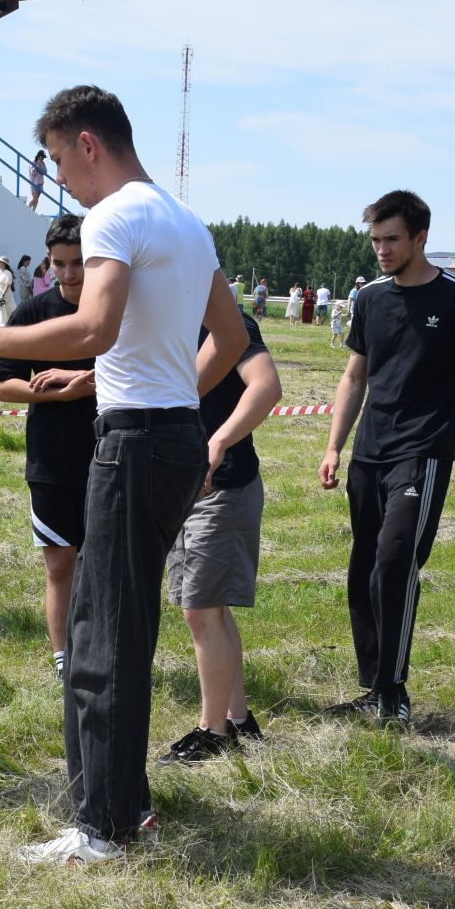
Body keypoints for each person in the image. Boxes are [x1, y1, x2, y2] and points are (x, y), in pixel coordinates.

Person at [0, 84, 247, 865]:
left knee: (99, 633)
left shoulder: (113, 215)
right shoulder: (186, 220)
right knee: (119, 627)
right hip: (173, 436)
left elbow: (96, 325)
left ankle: (101, 826)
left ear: (88, 145)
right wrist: (171, 392)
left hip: (136, 444)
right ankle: (125, 804)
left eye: (57, 161)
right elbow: (232, 340)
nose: (59, 181)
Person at [320, 190, 455, 729]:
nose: (381, 249)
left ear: (421, 237)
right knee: (363, 569)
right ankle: (373, 685)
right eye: (375, 240)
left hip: (422, 454)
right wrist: (334, 445)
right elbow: (355, 376)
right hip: (368, 455)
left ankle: (394, 695)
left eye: (391, 239)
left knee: (396, 561)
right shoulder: (370, 298)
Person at [161, 305, 282, 762]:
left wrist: (220, 439)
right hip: (183, 487)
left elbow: (267, 387)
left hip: (222, 486)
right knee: (208, 610)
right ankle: (237, 718)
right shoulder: (161, 318)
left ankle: (212, 733)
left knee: (201, 610)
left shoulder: (226, 322)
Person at [0, 215, 95, 678]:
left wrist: (76, 385)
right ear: (48, 262)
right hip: (51, 459)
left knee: (102, 564)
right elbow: (2, 387)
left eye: (79, 263)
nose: (70, 274)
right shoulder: (31, 313)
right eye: (60, 264)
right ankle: (63, 658)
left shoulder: (110, 311)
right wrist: (48, 391)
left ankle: (100, 649)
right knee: (60, 561)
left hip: (107, 455)